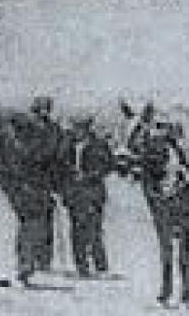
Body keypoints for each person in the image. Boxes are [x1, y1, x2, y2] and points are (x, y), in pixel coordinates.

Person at [63, 114, 112, 278]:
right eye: (75, 128)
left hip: (93, 192)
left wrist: (90, 175)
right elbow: (60, 164)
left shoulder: (99, 145)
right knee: (76, 230)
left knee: (95, 229)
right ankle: (81, 266)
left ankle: (100, 265)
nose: (77, 131)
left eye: (80, 128)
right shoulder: (68, 145)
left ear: (87, 129)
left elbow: (107, 166)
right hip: (74, 193)